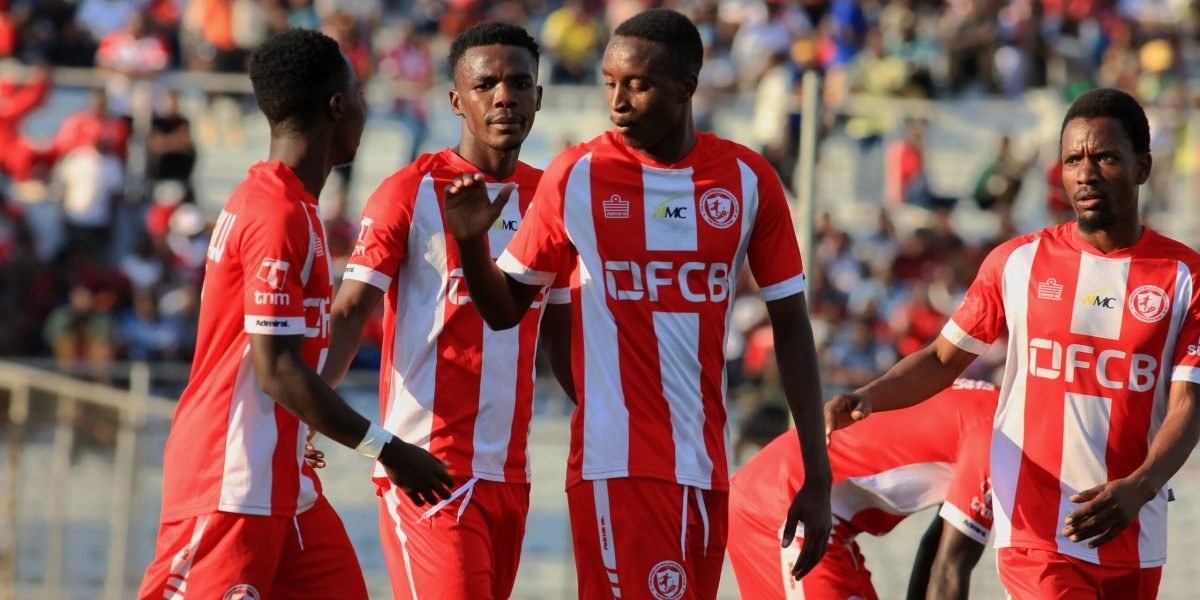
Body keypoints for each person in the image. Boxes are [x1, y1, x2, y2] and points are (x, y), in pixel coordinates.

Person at [441, 9, 832, 599]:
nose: (617, 102)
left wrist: (816, 473)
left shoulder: (748, 179)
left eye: (638, 85)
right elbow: (504, 311)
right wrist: (472, 244)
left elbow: (793, 328)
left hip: (706, 468)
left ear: (687, 86)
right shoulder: (577, 175)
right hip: (618, 466)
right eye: (609, 83)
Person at [826, 87, 1200, 599]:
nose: (1086, 173)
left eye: (1106, 157)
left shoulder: (1185, 277)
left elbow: (1188, 403)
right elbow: (941, 359)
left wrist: (1142, 486)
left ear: (1143, 167)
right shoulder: (1018, 262)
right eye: (1073, 160)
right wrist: (868, 396)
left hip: (1135, 527)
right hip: (1035, 530)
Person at [136, 29, 453, 600]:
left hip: (286, 480)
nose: (365, 108)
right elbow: (277, 370)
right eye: (359, 94)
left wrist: (306, 424)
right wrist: (388, 450)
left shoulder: (290, 204)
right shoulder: (276, 213)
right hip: (233, 479)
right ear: (337, 105)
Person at [314, 22, 570, 600]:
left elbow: (565, 342)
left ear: (538, 97)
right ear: (457, 100)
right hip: (426, 469)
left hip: (511, 474)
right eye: (485, 85)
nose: (504, 97)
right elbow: (350, 311)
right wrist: (308, 410)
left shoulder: (551, 200)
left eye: (519, 84)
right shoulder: (409, 190)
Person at [729, 378, 998, 600]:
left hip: (799, 504)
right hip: (783, 505)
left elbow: (935, 551)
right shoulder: (997, 439)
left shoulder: (993, 408)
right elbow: (948, 572)